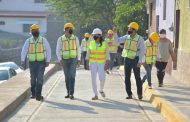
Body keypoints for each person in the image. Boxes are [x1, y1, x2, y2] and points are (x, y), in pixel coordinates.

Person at [21, 24, 51, 101]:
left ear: (38, 31)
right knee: (33, 78)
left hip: (41, 62)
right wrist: (22, 60)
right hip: (32, 62)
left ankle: (38, 95)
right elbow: (24, 51)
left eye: (36, 30)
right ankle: (33, 93)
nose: (35, 31)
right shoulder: (28, 41)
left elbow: (48, 50)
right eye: (34, 30)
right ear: (31, 32)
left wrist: (47, 60)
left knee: (40, 78)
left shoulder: (43, 40)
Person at [56, 23, 81, 99]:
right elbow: (58, 50)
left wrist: (79, 59)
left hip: (73, 59)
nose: (71, 30)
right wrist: (60, 59)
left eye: (71, 29)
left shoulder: (75, 38)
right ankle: (68, 92)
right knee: (67, 76)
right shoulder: (60, 39)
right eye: (69, 29)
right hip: (64, 60)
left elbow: (78, 49)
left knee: (72, 76)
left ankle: (71, 93)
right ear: (66, 30)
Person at [121, 22, 145, 100]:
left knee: (137, 77)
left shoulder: (140, 39)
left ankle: (139, 94)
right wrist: (114, 34)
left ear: (134, 30)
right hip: (127, 59)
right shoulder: (126, 37)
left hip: (136, 59)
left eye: (130, 28)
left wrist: (140, 61)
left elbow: (142, 51)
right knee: (127, 78)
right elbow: (118, 40)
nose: (128, 29)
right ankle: (129, 94)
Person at [86, 28, 110, 100]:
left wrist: (107, 63)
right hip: (93, 63)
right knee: (93, 79)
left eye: (95, 35)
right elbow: (88, 52)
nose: (94, 36)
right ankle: (95, 94)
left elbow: (107, 53)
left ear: (100, 35)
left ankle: (101, 90)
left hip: (101, 63)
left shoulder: (105, 43)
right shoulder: (91, 42)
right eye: (93, 35)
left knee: (102, 78)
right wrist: (87, 62)